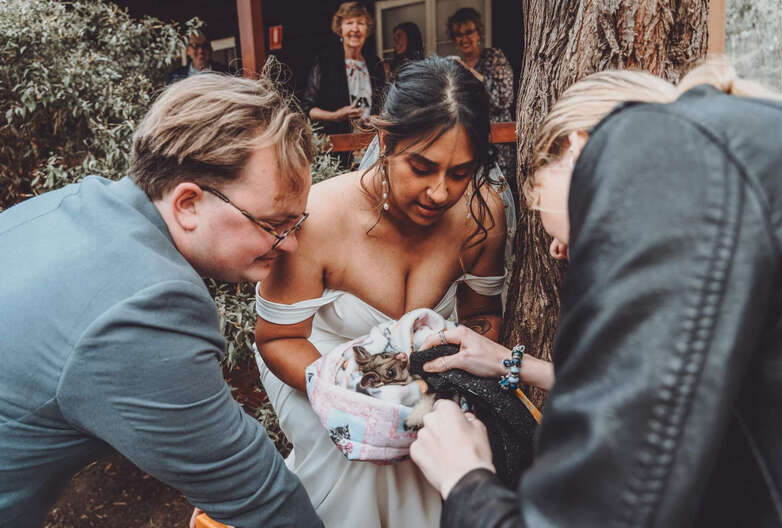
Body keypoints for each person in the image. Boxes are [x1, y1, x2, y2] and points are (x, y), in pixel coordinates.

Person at [410, 62, 782, 526]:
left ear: (576, 149)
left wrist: (464, 476)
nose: (557, 249)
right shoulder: (737, 155)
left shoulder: (675, 183)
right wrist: (511, 363)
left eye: (572, 233)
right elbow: (675, 390)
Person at [0, 73, 322, 528]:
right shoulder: (150, 308)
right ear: (188, 203)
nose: (288, 244)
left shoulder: (69, 205)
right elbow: (262, 502)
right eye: (272, 223)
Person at [254, 56, 515, 527]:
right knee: (364, 455)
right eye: (422, 166)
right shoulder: (321, 217)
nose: (440, 192)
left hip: (423, 374)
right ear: (384, 140)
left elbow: (481, 316)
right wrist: (361, 391)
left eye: (460, 173)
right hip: (314, 363)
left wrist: (441, 374)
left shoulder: (483, 216)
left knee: (435, 448)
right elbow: (276, 338)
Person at [447, 8, 516, 193]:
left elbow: (503, 100)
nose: (464, 38)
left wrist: (469, 73)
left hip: (497, 143)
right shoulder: (456, 67)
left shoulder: (494, 57)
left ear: (478, 33)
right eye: (458, 34)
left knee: (498, 197)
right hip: (468, 144)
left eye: (469, 32)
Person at [302, 2, 386, 137]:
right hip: (337, 145)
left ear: (367, 30)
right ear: (340, 30)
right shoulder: (325, 62)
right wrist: (335, 116)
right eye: (349, 23)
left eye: (360, 23)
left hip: (371, 141)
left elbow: (385, 104)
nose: (355, 28)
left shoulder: (374, 63)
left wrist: (377, 118)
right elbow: (308, 109)